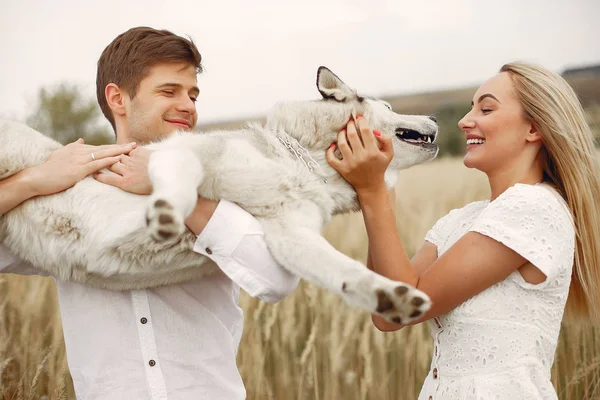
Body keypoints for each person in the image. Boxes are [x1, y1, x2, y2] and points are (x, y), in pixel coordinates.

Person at [0, 26, 298, 399]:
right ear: (118, 98)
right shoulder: (70, 198)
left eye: (193, 94)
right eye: (169, 91)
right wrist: (33, 180)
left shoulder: (220, 183)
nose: (188, 105)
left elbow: (277, 279)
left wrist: (168, 182)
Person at [326, 61, 600, 399]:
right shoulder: (462, 220)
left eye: (485, 108)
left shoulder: (533, 208)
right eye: (471, 107)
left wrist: (372, 192)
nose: (464, 120)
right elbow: (388, 316)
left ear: (534, 128)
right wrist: (383, 180)